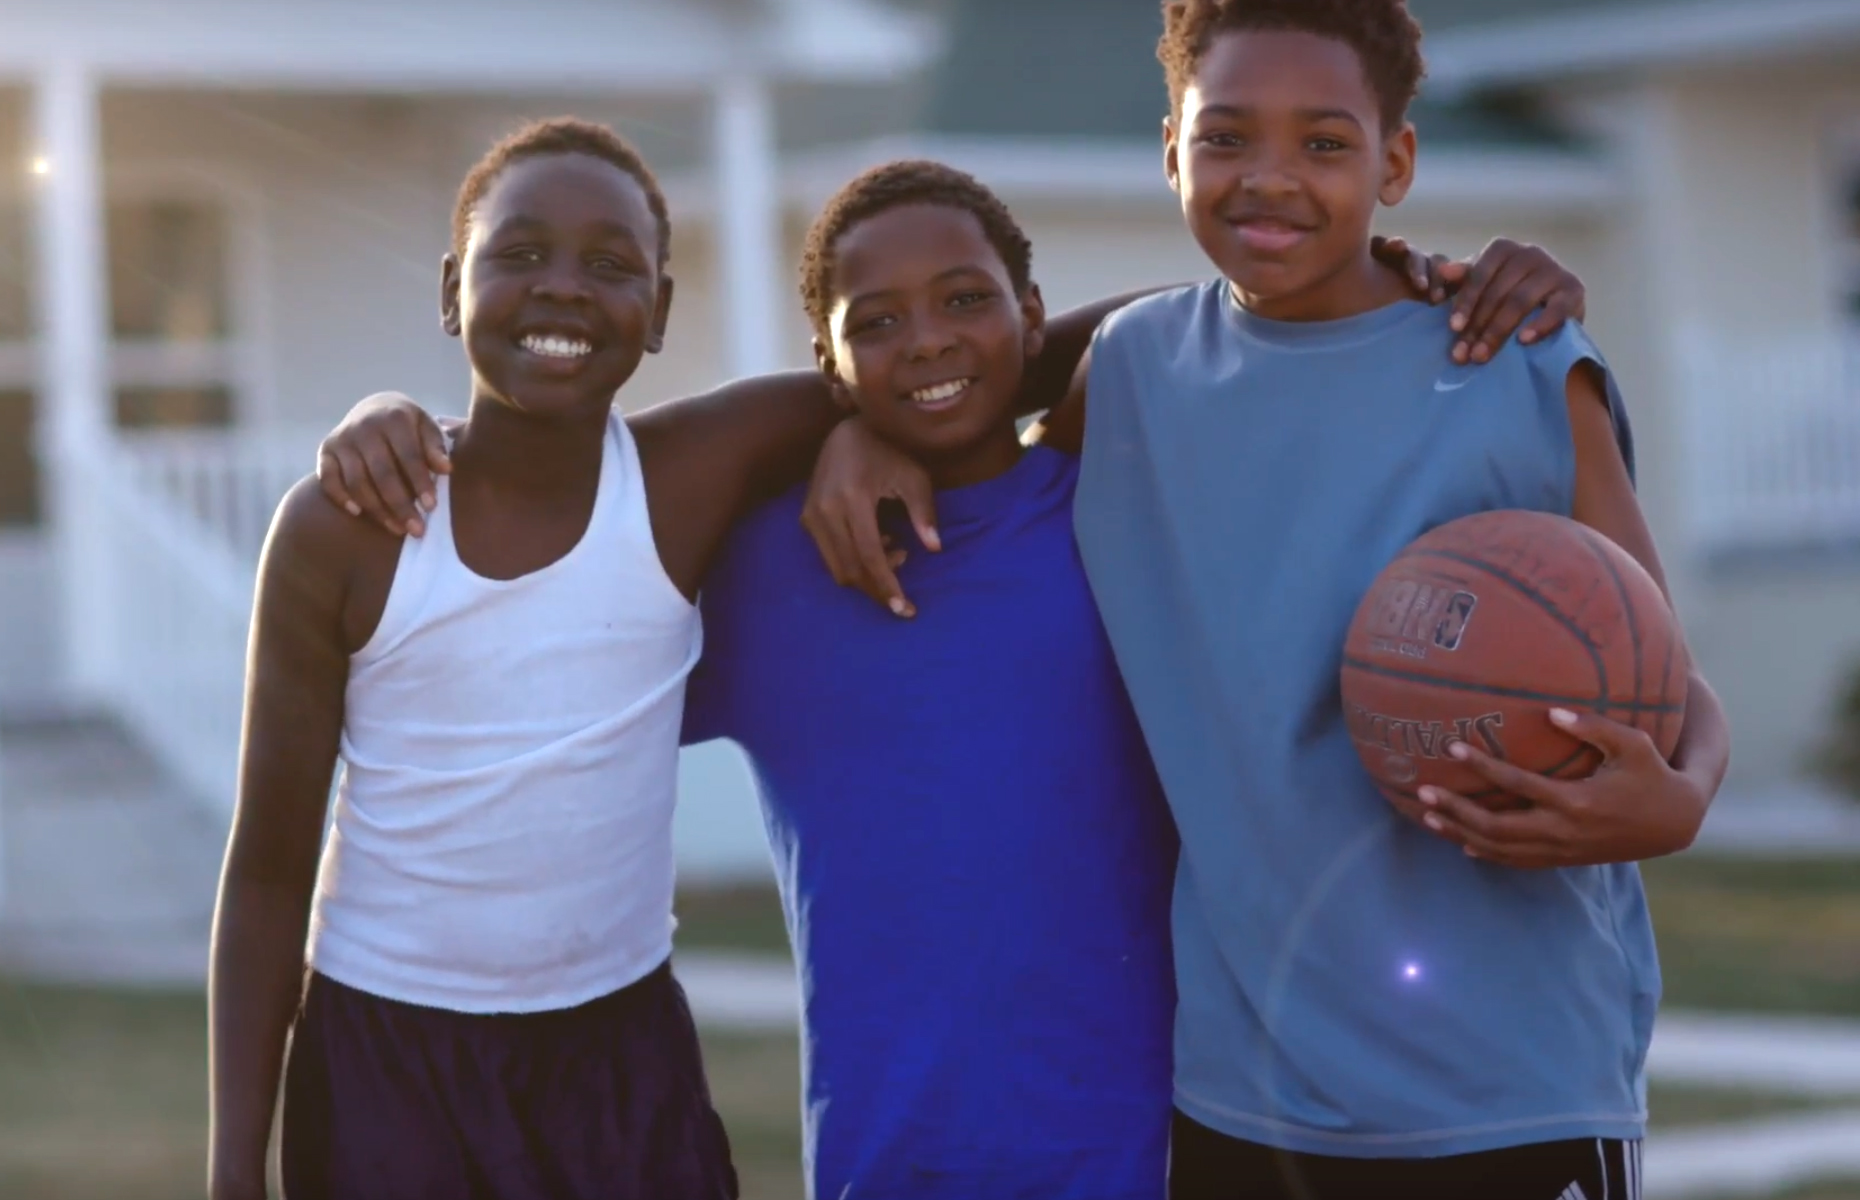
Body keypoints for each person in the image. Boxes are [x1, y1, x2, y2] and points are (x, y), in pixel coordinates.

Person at [310, 161, 1585, 1200]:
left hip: (1163, 1151)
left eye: (967, 301)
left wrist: (1419, 279)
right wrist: (410, 430)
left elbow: (1223, 340)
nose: (927, 340)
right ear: (825, 361)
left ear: (1032, 321)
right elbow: (539, 629)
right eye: (875, 323)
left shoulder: (1135, 515)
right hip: (885, 1158)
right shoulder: (771, 568)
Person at [801, 3, 1734, 1199]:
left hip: (1517, 1082)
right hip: (1248, 1093)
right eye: (1228, 138)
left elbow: (1666, 677)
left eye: (1326, 145)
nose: (1271, 179)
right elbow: (959, 400)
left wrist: (1681, 801)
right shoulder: (1133, 376)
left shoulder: (1523, 365)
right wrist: (857, 433)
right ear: (1171, 152)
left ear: (1397, 162)